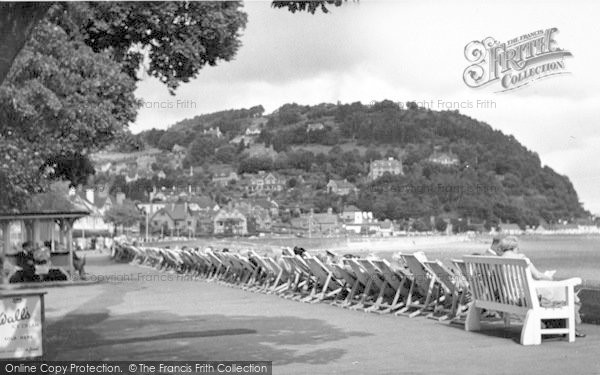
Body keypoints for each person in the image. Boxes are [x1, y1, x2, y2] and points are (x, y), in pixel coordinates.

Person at [496, 236, 585, 338]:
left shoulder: (498, 260)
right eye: (518, 248)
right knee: (564, 292)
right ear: (515, 248)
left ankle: (555, 325)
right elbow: (538, 275)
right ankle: (568, 327)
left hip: (510, 297)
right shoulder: (521, 258)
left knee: (555, 293)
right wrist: (549, 277)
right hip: (525, 297)